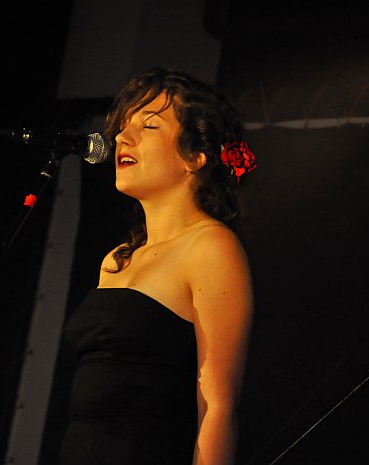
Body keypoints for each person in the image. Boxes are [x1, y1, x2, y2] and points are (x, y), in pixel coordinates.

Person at [59, 66, 258, 465]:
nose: (122, 137)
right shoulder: (117, 259)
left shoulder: (211, 247)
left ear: (195, 156)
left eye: (148, 126)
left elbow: (217, 407)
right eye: (122, 127)